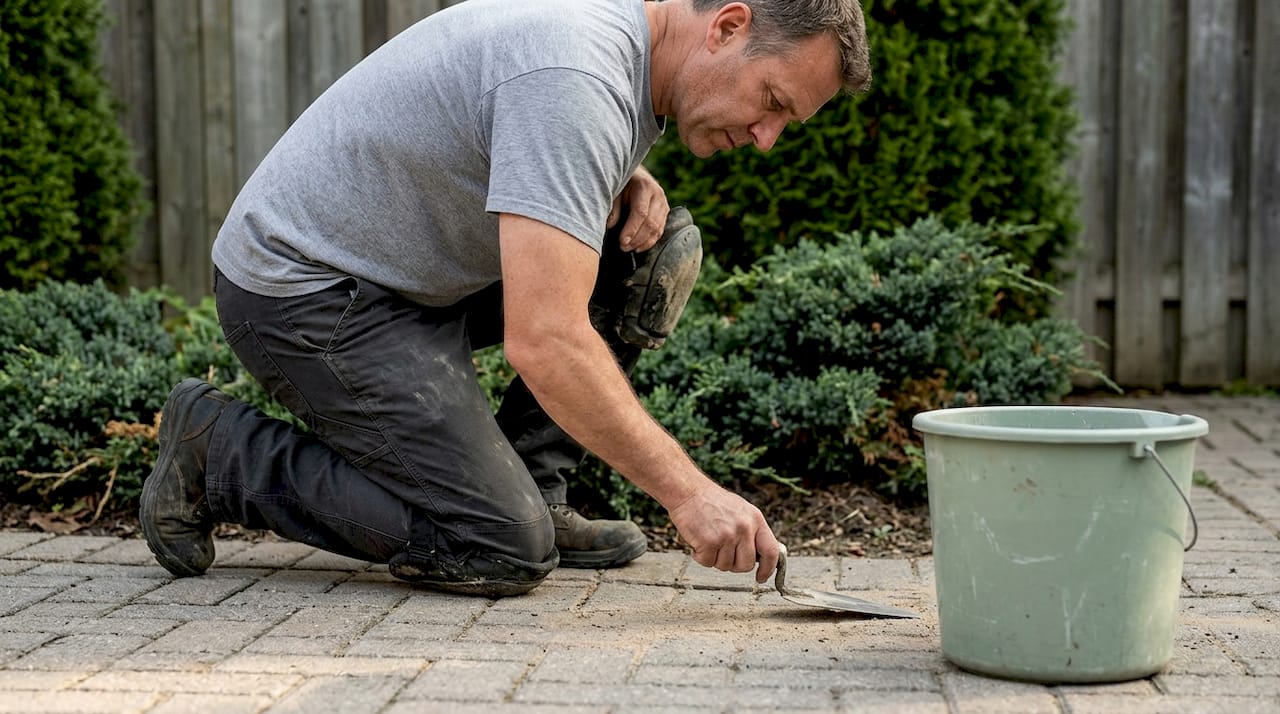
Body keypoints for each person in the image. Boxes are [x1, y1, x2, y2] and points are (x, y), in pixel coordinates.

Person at [140, 0, 871, 597]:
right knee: (496, 546)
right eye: (771, 101)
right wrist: (688, 493)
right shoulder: (575, 76)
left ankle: (536, 489)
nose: (767, 137)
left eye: (786, 122)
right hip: (305, 294)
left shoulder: (621, 52)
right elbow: (545, 337)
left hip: (397, 275)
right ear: (728, 26)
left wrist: (615, 180)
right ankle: (221, 453)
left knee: (648, 252)